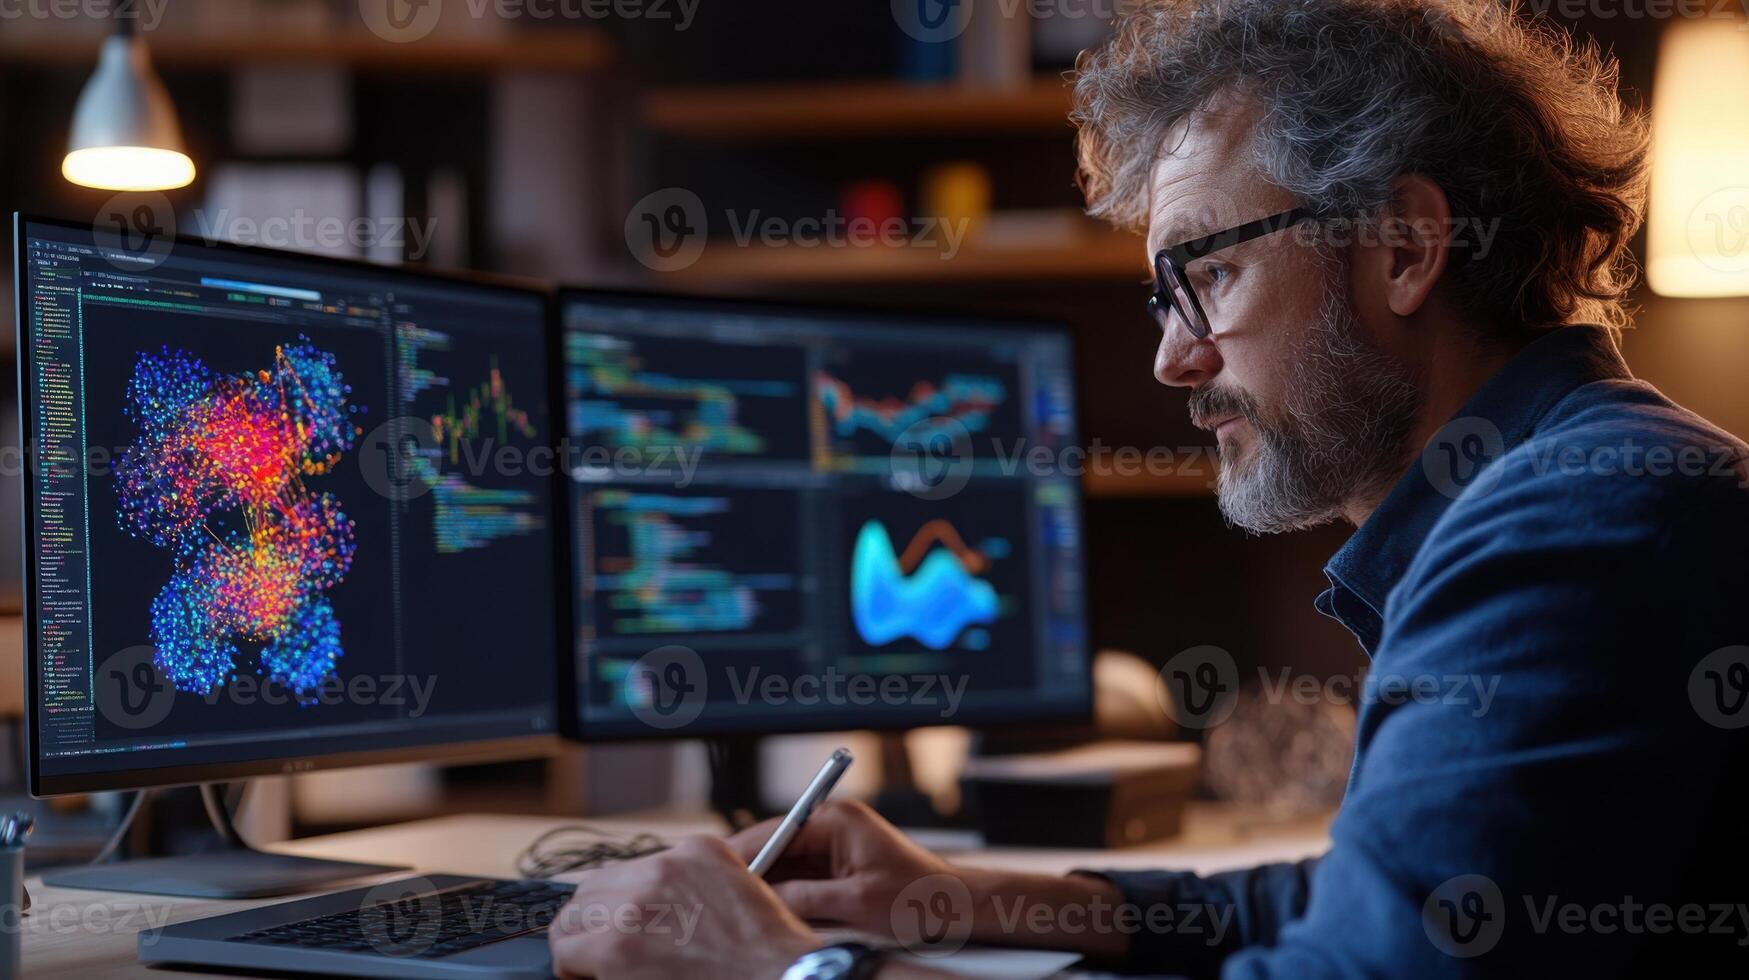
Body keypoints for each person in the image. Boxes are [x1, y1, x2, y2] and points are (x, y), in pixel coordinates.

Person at [549, 0, 1749, 975]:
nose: (1173, 358)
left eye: (1207, 277)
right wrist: (960, 895)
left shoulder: (1575, 529)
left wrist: (781, 965)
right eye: (1162, 299)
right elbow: (1358, 898)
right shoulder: (1575, 489)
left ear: (1405, 246)